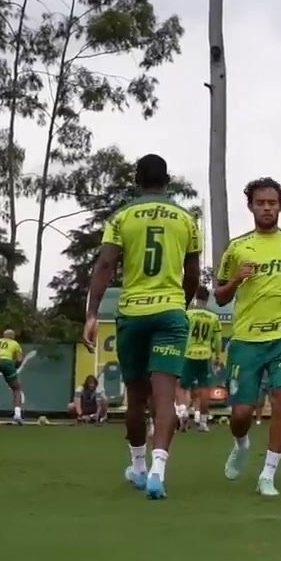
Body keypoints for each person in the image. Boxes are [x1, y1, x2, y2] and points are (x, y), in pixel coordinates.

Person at [84, 154, 200, 500]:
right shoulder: (186, 219)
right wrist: (182, 301)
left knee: (136, 397)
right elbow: (192, 274)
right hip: (170, 312)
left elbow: (105, 264)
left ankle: (136, 465)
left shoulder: (122, 218)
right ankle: (157, 471)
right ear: (169, 180)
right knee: (164, 397)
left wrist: (91, 313)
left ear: (137, 180)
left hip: (133, 313)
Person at [216, 177, 281, 497]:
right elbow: (220, 297)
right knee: (241, 413)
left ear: (280, 206)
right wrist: (235, 280)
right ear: (250, 206)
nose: (266, 208)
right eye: (260, 203)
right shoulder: (237, 247)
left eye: (272, 203)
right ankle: (241, 443)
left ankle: (268, 474)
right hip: (247, 338)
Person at [182, 286, 221, 433]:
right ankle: (203, 422)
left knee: (182, 386)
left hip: (188, 353)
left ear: (195, 296)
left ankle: (183, 412)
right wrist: (217, 355)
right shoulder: (213, 317)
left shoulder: (188, 314)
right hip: (204, 355)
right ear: (208, 298)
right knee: (205, 389)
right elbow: (217, 340)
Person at [0, 329, 25, 424]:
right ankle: (17, 414)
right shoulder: (15, 343)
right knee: (16, 388)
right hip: (8, 363)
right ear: (12, 336)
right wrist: (15, 367)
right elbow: (19, 359)